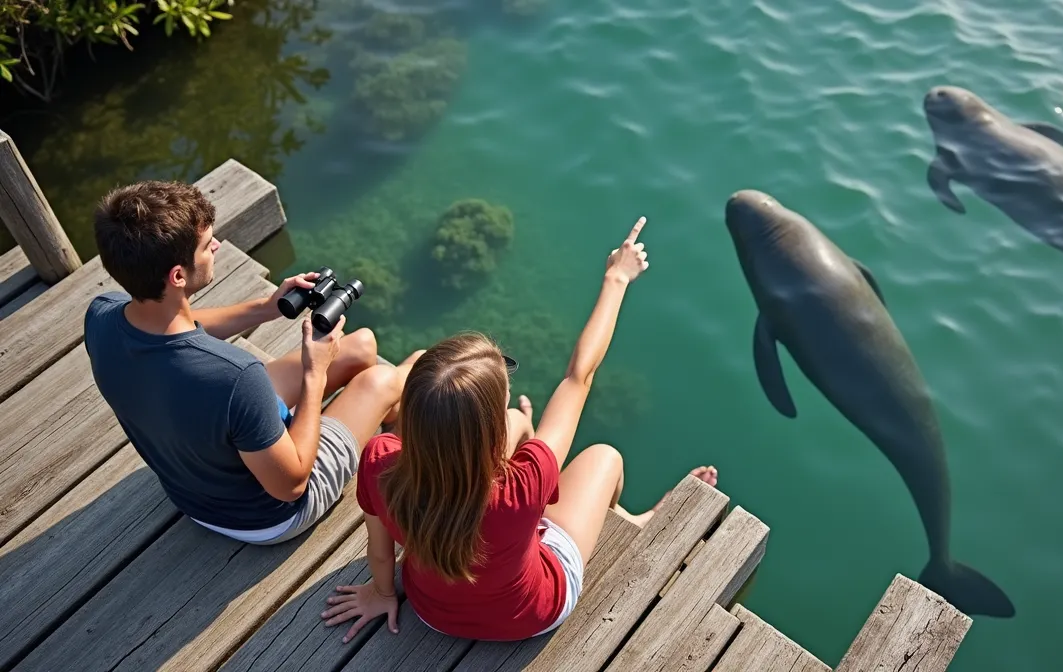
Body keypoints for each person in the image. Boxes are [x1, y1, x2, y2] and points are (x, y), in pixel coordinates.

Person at [319, 216, 718, 642]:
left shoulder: (381, 461)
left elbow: (380, 553)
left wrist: (382, 594)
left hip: (432, 611)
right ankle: (630, 518)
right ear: (486, 430)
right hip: (533, 614)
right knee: (604, 457)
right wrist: (617, 278)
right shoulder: (524, 483)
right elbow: (578, 376)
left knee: (520, 426)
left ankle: (524, 427)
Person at [84, 179, 420, 546]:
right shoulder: (235, 377)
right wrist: (314, 374)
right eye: (205, 244)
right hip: (266, 517)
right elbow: (291, 485)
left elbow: (177, 327)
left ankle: (391, 424)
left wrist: (267, 308)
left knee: (360, 346)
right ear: (177, 276)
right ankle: (405, 450)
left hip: (193, 483)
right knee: (389, 377)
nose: (215, 245)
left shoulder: (101, 316)